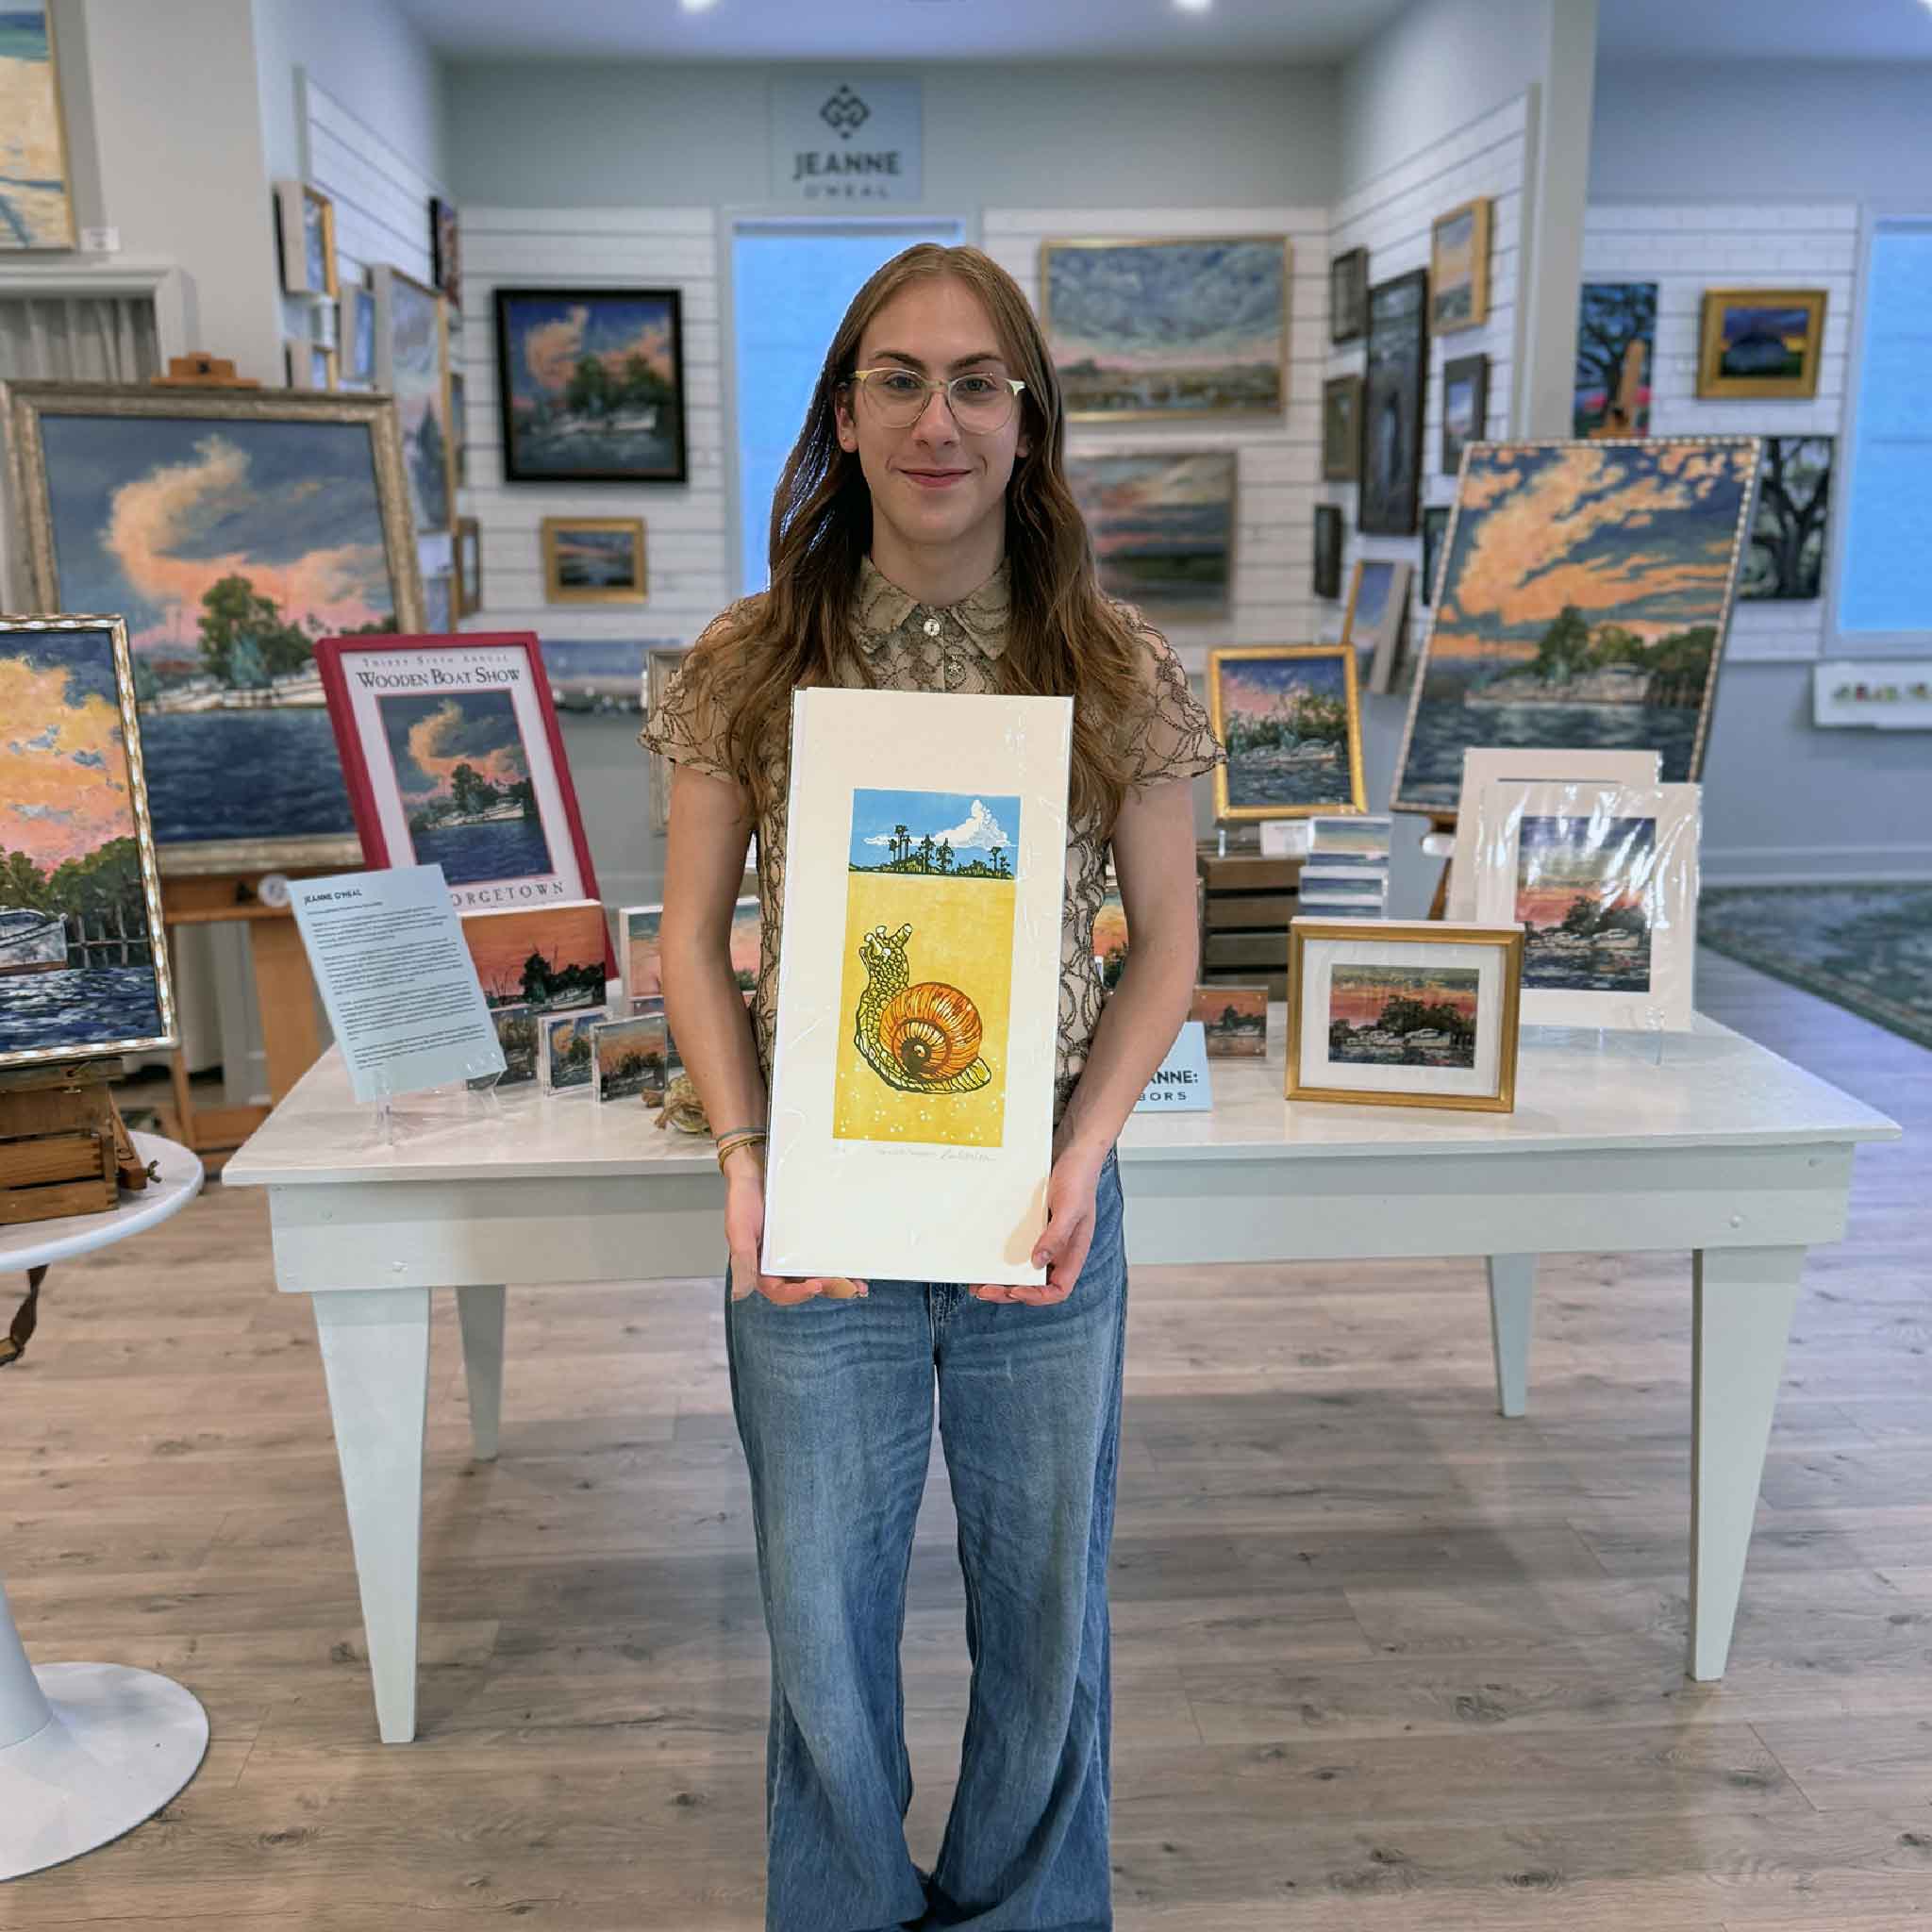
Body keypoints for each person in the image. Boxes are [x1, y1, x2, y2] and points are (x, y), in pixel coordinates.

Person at [640, 242, 1224, 1932]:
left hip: (1037, 1216)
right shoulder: (747, 664)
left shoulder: (1118, 670)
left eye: (980, 383)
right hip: (815, 1220)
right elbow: (690, 945)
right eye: (898, 378)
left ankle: (1033, 1911)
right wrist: (748, 1164)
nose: (937, 418)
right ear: (843, 408)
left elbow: (1169, 947)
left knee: (1049, 1615)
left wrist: (1085, 1158)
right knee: (819, 1621)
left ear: (1029, 425)